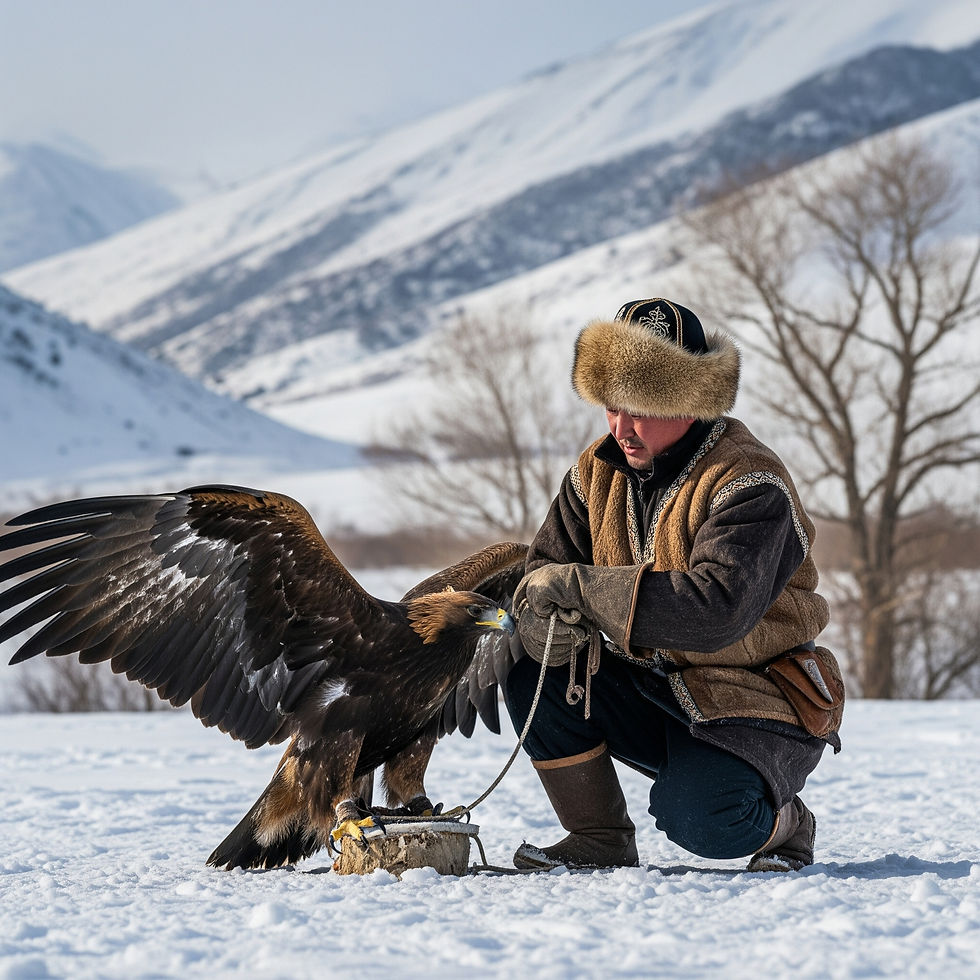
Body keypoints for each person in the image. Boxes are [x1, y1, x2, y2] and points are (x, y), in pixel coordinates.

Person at [504, 298, 844, 872]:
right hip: (650, 686)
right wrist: (543, 624)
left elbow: (717, 610)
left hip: (753, 698)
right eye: (611, 407)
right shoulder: (596, 471)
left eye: (641, 409)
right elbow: (543, 572)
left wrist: (584, 593)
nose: (622, 428)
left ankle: (787, 823)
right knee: (526, 666)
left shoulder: (749, 482)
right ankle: (598, 835)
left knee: (704, 820)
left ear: (691, 401)